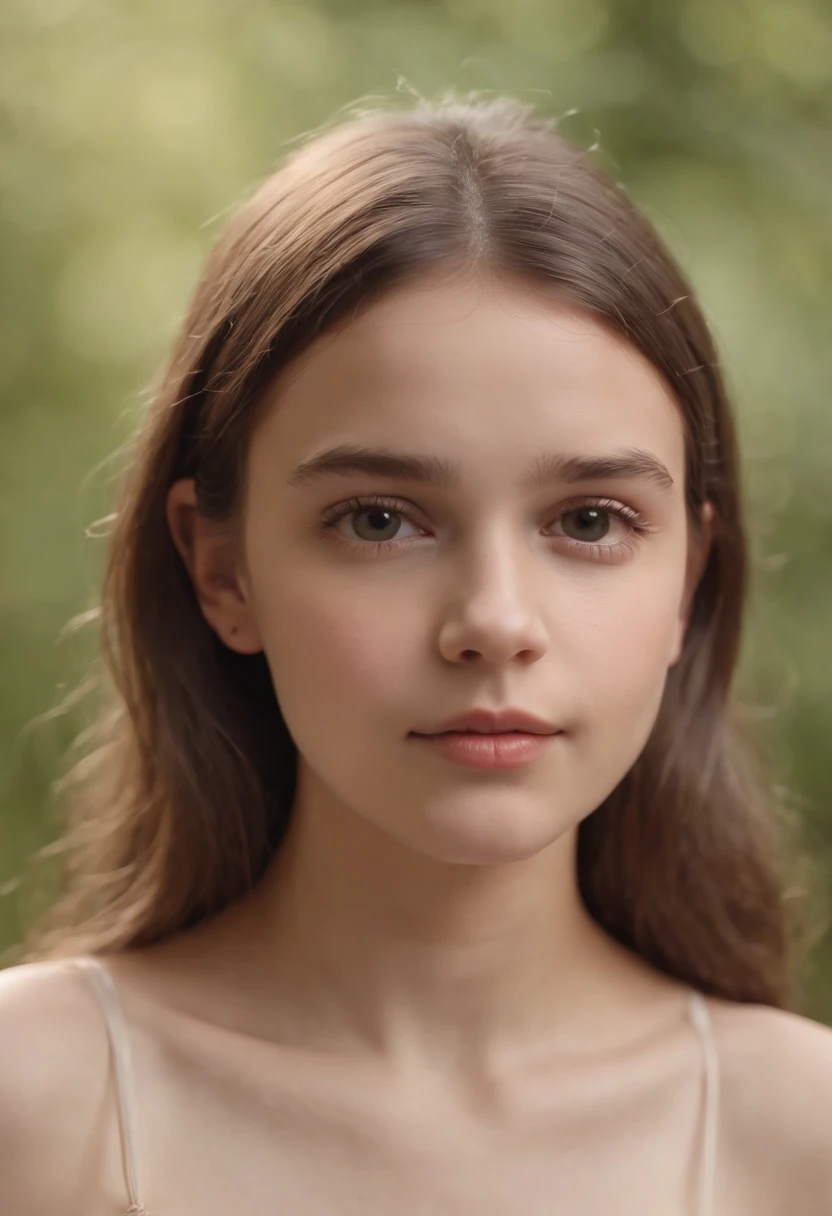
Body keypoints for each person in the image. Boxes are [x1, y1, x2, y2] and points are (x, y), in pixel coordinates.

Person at [1, 92, 831, 1216]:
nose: (494, 619)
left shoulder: (799, 1139)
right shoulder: (36, 1106)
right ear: (221, 571)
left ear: (687, 576)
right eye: (381, 518)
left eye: (588, 520)